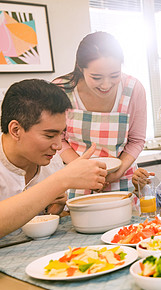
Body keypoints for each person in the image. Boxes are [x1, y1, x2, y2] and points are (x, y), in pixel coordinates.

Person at [0, 79, 108, 245]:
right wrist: (62, 180)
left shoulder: (50, 161)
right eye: (49, 135)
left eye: (61, 134)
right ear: (16, 130)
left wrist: (52, 212)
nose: (58, 145)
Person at [54, 32, 147, 197]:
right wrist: (83, 169)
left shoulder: (133, 89)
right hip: (77, 180)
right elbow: (57, 139)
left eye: (114, 75)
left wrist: (117, 173)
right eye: (96, 77)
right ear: (81, 68)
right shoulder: (61, 90)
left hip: (121, 180)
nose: (106, 85)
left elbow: (136, 140)